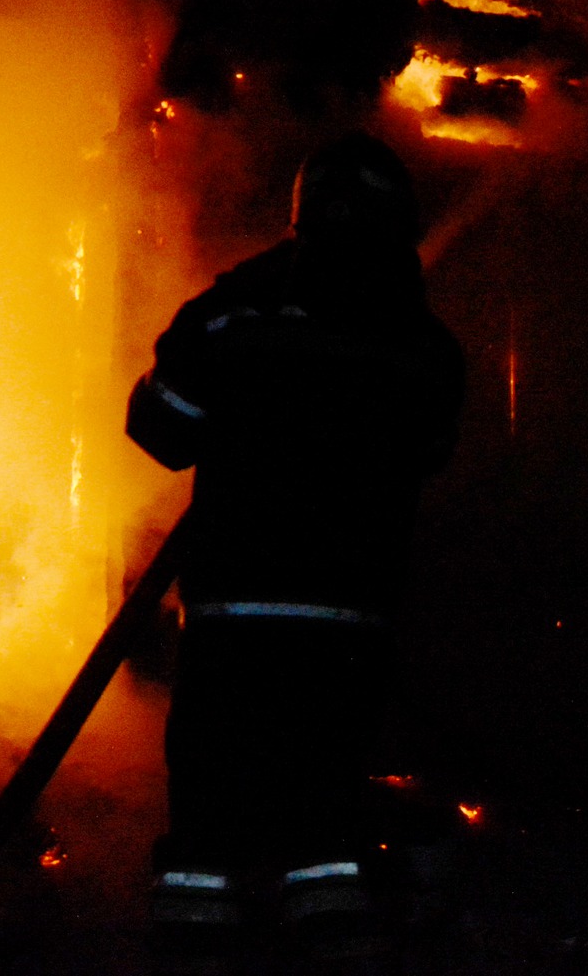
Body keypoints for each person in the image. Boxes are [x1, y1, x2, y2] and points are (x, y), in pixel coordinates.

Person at [125, 132, 464, 963]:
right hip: (349, 619)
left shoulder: (236, 307)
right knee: (323, 815)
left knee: (207, 813)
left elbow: (160, 424)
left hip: (233, 611)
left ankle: (194, 948)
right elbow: (427, 450)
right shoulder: (420, 340)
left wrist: (251, 421)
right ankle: (334, 945)